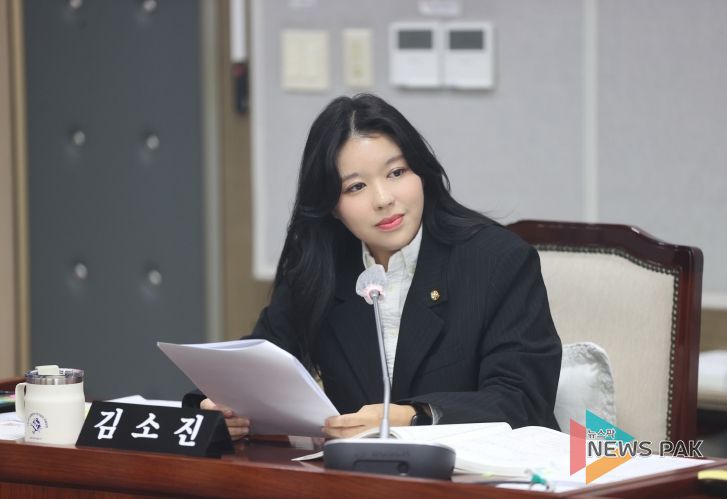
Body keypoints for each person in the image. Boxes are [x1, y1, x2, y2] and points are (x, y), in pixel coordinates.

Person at [185, 94, 562, 439]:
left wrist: (412, 416)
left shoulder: (498, 260)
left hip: (484, 475)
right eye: (355, 187)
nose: (383, 199)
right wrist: (220, 409)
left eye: (396, 173)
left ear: (422, 174)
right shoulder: (320, 267)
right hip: (358, 475)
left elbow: (522, 399)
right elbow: (255, 368)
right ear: (332, 206)